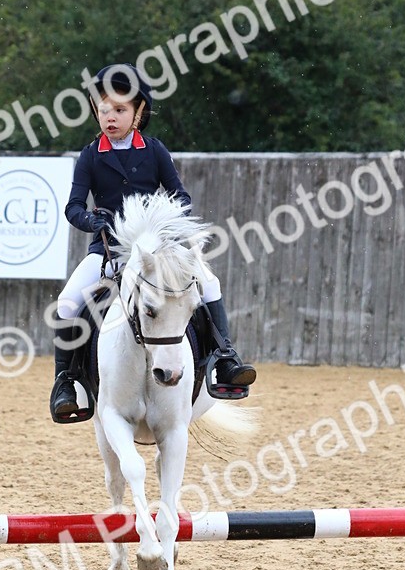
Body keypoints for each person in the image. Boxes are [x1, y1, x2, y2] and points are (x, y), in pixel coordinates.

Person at [50, 62, 256, 421]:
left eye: (119, 110)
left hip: (156, 250)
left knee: (209, 284)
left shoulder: (154, 150)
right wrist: (89, 219)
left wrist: (169, 220)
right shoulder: (89, 155)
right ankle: (67, 381)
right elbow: (73, 207)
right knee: (67, 303)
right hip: (109, 252)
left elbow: (181, 196)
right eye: (104, 110)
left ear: (138, 112)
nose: (110, 117)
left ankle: (225, 358)